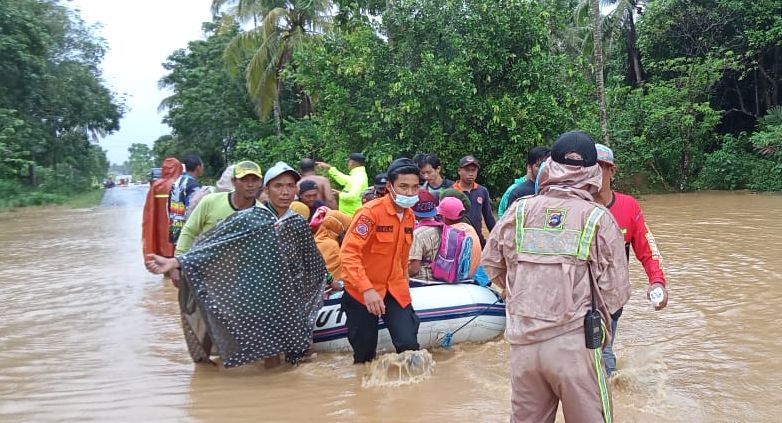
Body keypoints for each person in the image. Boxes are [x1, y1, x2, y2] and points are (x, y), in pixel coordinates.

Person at [481, 131, 631, 423]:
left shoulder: (518, 211)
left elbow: (492, 265)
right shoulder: (598, 218)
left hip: (523, 346)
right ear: (593, 172)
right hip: (575, 347)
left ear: (550, 166)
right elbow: (615, 293)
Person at [146, 160, 326, 369]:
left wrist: (329, 282)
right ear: (267, 190)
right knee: (269, 351)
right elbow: (219, 246)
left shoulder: (297, 223)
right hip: (255, 294)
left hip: (288, 294)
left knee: (299, 350)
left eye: (289, 186)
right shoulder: (251, 217)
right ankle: (267, 385)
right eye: (278, 186)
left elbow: (312, 261)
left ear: (296, 190)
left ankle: (281, 386)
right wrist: (177, 261)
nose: (285, 192)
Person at [594, 143, 669, 376]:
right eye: (589, 168)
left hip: (611, 298)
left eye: (600, 168)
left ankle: (612, 396)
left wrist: (657, 281)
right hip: (576, 296)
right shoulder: (575, 207)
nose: (594, 174)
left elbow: (648, 249)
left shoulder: (628, 206)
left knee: (603, 350)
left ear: (612, 171)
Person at [340, 158, 421, 363]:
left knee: (409, 346)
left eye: (415, 187)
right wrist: (366, 289)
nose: (410, 193)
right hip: (362, 291)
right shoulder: (369, 214)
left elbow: (402, 256)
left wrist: (404, 282)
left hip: (394, 289)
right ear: (389, 187)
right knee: (364, 355)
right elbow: (349, 254)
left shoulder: (410, 216)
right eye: (403, 187)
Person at [142, 157, 182, 261]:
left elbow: (149, 211)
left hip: (161, 234)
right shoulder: (183, 184)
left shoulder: (156, 185)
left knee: (165, 263)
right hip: (179, 231)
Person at [453, 155, 495, 247]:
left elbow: (489, 217)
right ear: (459, 171)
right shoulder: (452, 192)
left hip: (477, 240)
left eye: (473, 170)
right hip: (457, 241)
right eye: (467, 170)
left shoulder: (482, 191)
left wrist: (497, 237)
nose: (470, 173)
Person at [499, 146, 551, 218]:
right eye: (539, 166)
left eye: (547, 166)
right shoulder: (518, 192)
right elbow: (507, 222)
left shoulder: (553, 190)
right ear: (529, 167)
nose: (544, 169)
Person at [437, 197, 482, 278]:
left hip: (459, 278)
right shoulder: (470, 228)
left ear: (443, 216)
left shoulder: (448, 232)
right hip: (474, 276)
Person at [314, 210, 353, 294]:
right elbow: (332, 274)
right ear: (338, 227)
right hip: (328, 292)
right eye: (345, 229)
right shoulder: (332, 245)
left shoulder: (316, 239)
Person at [168, 154, 204, 244]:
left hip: (175, 228)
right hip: (187, 231)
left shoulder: (176, 183)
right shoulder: (193, 186)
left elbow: (169, 205)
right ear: (198, 167)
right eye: (203, 166)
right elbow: (195, 209)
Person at [408, 190, 440, 280]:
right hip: (441, 279)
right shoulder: (443, 227)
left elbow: (414, 269)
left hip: (422, 282)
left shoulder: (417, 234)